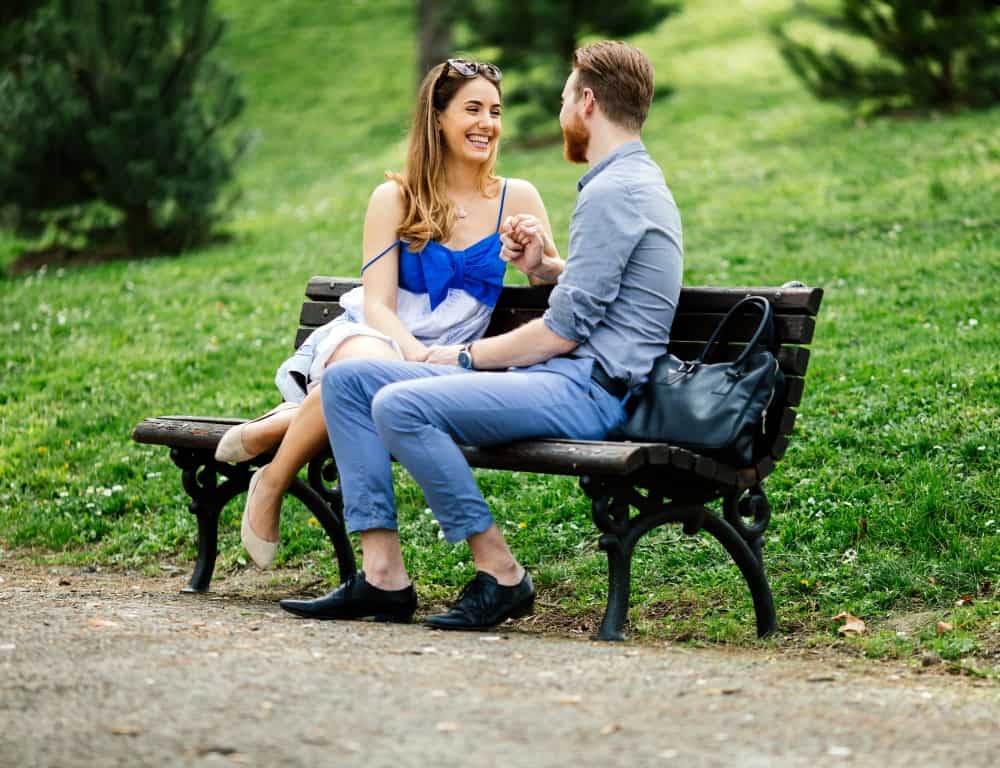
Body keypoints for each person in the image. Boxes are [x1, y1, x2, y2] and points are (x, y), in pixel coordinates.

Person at [279, 40, 683, 629]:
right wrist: (544, 269)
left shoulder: (614, 191)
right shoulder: (622, 183)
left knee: (400, 405)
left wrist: (463, 357)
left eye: (566, 95)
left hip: (593, 387)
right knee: (347, 381)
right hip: (567, 376)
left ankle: (502, 574)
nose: (561, 107)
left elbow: (561, 334)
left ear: (588, 103)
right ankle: (382, 578)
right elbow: (598, 294)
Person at [219, 58, 557, 568]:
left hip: (447, 361)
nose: (487, 123)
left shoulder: (518, 196)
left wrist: (541, 257)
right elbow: (376, 303)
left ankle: (279, 425)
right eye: (472, 109)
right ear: (437, 116)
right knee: (356, 373)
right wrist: (417, 355)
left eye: (495, 111)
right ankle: (272, 482)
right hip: (378, 334)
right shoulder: (394, 198)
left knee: (363, 390)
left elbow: (548, 279)